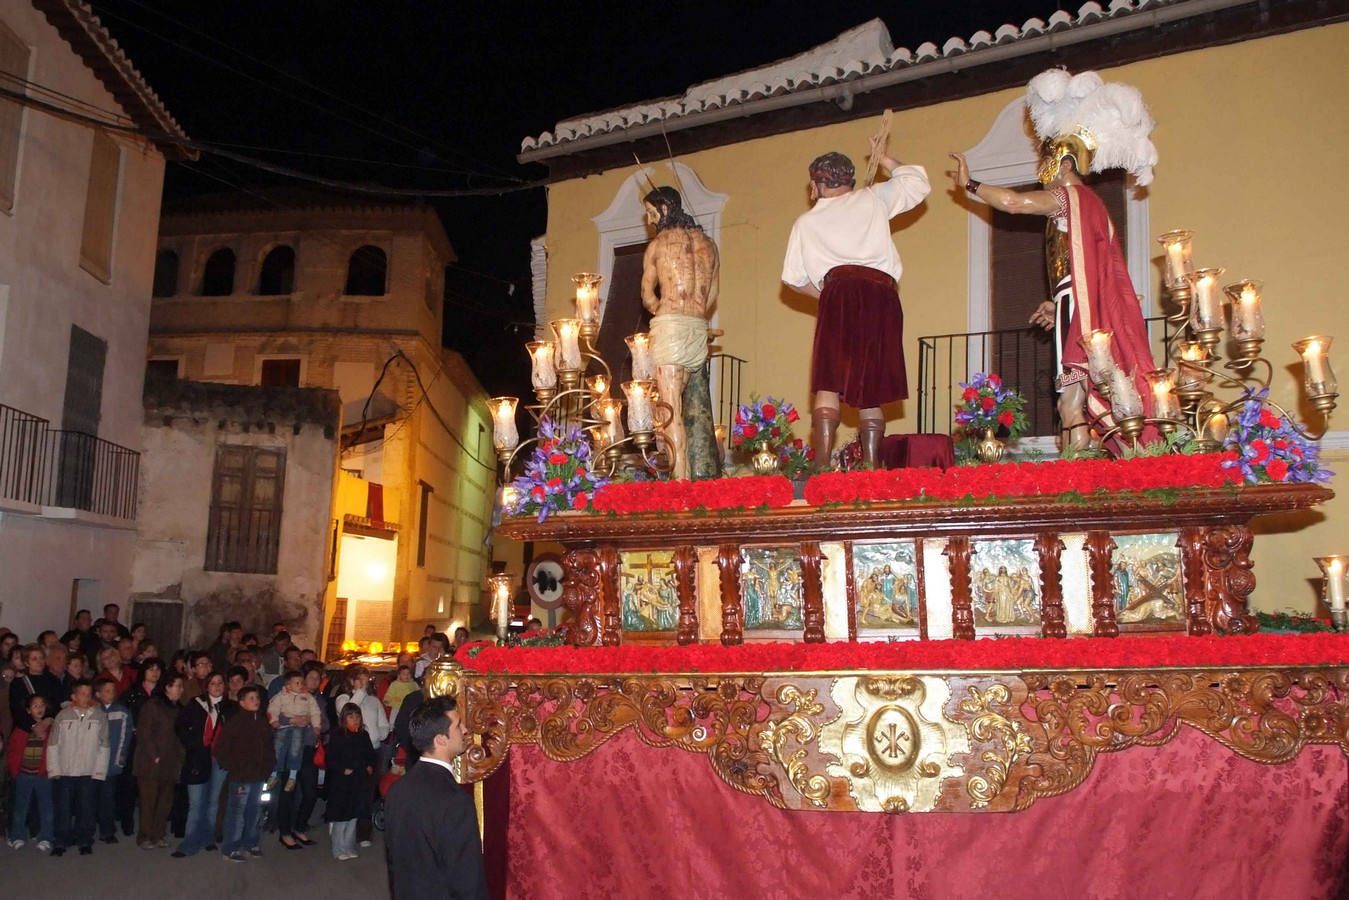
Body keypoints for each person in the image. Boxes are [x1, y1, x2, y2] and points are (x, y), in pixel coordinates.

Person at [949, 68, 1158, 452]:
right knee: (1074, 396)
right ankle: (1085, 465)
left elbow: (1014, 203)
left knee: (1070, 401)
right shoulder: (1091, 207)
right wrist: (1058, 301)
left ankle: (1075, 474)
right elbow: (1083, 268)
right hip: (1075, 302)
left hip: (1076, 306)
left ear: (1063, 163)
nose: (1040, 173)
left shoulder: (1070, 198)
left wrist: (970, 184)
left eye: (1045, 163)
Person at [781, 135, 931, 469]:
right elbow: (917, 184)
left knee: (828, 378)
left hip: (838, 292)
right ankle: (873, 468)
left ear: (817, 184)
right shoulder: (874, 198)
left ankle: (821, 466)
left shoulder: (806, 222)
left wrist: (828, 298)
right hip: (881, 295)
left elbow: (794, 279)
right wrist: (886, 161)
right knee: (871, 384)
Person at [640, 185, 721, 480]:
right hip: (697, 328)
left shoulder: (658, 245)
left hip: (671, 326)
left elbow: (647, 296)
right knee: (683, 408)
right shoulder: (709, 245)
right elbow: (712, 296)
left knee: (670, 409)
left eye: (651, 213)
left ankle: (680, 486)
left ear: (664, 209)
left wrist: (665, 308)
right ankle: (687, 477)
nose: (649, 220)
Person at [385, 696, 487, 899]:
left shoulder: (397, 790)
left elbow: (395, 865)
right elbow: (467, 880)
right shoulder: (456, 801)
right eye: (458, 726)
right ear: (440, 739)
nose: (465, 730)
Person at [173, 671, 234, 857]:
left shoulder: (230, 707)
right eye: (213, 683)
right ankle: (190, 842)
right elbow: (180, 726)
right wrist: (194, 744)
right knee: (197, 802)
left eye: (220, 683)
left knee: (213, 801)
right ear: (206, 686)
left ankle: (207, 837)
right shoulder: (195, 704)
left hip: (219, 759)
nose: (217, 686)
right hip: (198, 758)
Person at [47, 679, 108, 856]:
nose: (86, 697)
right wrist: (54, 769)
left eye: (89, 694)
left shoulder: (98, 716)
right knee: (63, 808)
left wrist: (99, 770)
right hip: (66, 770)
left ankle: (84, 839)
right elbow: (53, 744)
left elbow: (104, 745)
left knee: (86, 808)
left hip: (88, 770)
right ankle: (61, 840)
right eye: (82, 694)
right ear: (74, 696)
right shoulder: (63, 716)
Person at [213, 684, 274, 862]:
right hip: (241, 776)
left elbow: (269, 747)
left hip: (258, 775)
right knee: (237, 812)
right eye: (251, 699)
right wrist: (234, 766)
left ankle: (251, 843)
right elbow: (221, 748)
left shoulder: (262, 721)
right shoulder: (236, 723)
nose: (256, 702)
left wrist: (269, 766)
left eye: (257, 698)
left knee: (255, 810)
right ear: (242, 702)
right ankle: (230, 848)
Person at [334, 665, 390, 847]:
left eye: (367, 679)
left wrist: (379, 733)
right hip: (350, 753)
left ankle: (363, 833)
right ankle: (341, 832)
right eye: (360, 679)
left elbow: (383, 724)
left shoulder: (373, 701)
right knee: (350, 793)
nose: (365, 683)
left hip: (371, 750)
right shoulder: (344, 698)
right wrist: (359, 692)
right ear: (352, 681)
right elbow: (347, 711)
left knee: (367, 793)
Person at [275, 661, 327, 850]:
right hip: (292, 749)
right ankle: (285, 832)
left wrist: (317, 724)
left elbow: (326, 723)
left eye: (318, 678)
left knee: (310, 792)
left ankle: (299, 826)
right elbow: (276, 717)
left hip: (310, 750)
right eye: (311, 677)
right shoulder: (289, 696)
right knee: (288, 791)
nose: (315, 681)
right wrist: (294, 720)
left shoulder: (319, 700)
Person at [133, 672, 183, 849]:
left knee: (165, 800)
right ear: (167, 687)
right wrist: (154, 755)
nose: (181, 690)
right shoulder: (153, 705)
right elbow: (144, 733)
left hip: (170, 761)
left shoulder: (178, 709)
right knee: (149, 800)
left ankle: (158, 833)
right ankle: (145, 835)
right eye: (178, 686)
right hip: (151, 762)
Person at [325, 702, 376, 860]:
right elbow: (331, 758)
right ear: (344, 718)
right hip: (342, 781)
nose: (355, 719)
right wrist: (342, 769)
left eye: (357, 716)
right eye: (351, 716)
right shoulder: (338, 735)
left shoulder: (363, 735)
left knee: (354, 815)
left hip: (358, 779)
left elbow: (370, 754)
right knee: (342, 816)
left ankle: (349, 845)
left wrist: (369, 765)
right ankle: (338, 847)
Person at [6, 693, 53, 851]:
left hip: (43, 775)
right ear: (28, 710)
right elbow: (13, 751)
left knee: (46, 807)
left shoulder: (50, 729)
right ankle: (17, 835)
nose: (39, 709)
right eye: (35, 706)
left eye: (42, 705)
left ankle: (46, 836)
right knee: (20, 807)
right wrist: (15, 771)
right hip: (24, 774)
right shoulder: (22, 729)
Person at [267, 669, 321, 792]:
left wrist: (316, 725)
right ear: (288, 685)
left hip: (299, 728)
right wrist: (274, 720)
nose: (300, 685)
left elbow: (315, 712)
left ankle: (292, 776)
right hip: (283, 727)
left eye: (301, 682)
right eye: (297, 683)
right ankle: (274, 773)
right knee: (277, 748)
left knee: (296, 749)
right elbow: (272, 709)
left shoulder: (307, 697)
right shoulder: (281, 696)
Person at [92, 677, 131, 845]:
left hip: (110, 763)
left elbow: (125, 737)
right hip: (91, 764)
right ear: (98, 694)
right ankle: (87, 829)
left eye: (113, 691)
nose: (111, 694)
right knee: (89, 798)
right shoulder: (92, 711)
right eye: (107, 691)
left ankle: (107, 831)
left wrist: (119, 761)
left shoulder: (122, 711)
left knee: (108, 798)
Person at [10, 644, 62, 730]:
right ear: (26, 663)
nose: (39, 662)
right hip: (27, 729)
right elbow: (17, 710)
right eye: (34, 659)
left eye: (41, 658)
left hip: (51, 726)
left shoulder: (53, 680)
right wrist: (34, 725)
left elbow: (58, 704)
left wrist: (49, 720)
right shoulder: (19, 683)